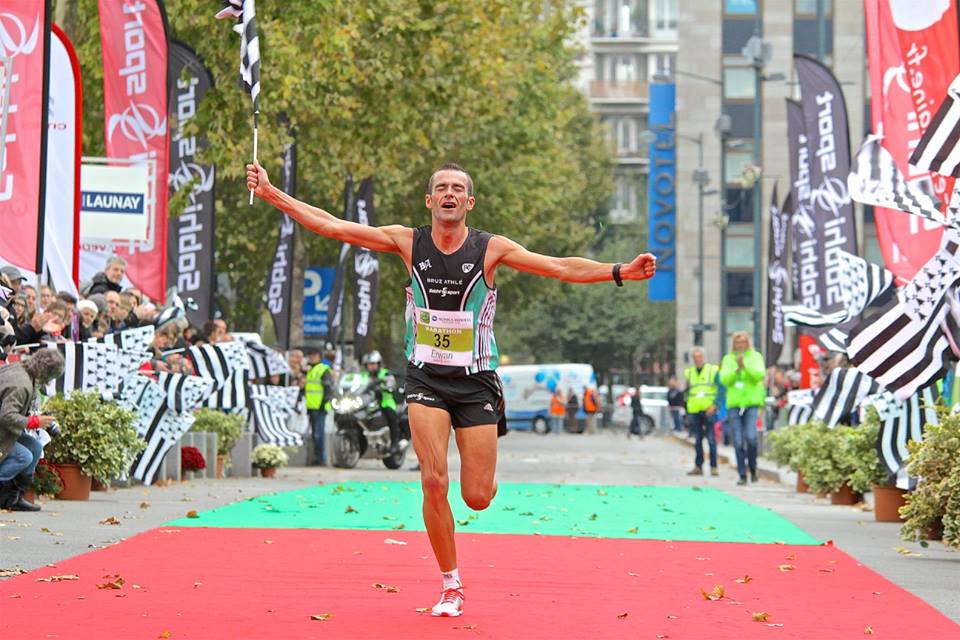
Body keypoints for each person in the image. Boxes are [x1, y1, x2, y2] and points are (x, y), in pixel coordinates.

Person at [246, 160, 656, 618]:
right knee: (433, 478)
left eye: (457, 188)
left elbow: (559, 266)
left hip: (476, 381)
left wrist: (620, 271)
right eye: (440, 187)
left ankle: (484, 474)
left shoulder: (490, 249)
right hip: (425, 377)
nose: (449, 193)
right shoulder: (408, 241)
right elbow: (334, 226)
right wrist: (271, 193)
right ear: (430, 200)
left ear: (468, 202)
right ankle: (451, 583)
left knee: (476, 496)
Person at [0, 349, 65, 510]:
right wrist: (34, 421)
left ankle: (14, 498)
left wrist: (35, 418)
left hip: (4, 428)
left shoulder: (20, 368)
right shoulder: (22, 384)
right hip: (3, 426)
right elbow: (7, 415)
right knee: (24, 456)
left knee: (35, 447)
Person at [719, 332, 766, 485]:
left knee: (751, 438)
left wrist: (745, 366)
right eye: (738, 343)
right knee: (738, 441)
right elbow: (724, 379)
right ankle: (742, 474)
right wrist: (737, 370)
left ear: (748, 343)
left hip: (751, 403)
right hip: (734, 405)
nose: (741, 345)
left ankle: (752, 467)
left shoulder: (755, 356)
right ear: (734, 344)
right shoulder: (728, 359)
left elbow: (760, 375)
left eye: (744, 342)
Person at [359, 350, 405, 453]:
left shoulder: (385, 373)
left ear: (379, 364)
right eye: (369, 364)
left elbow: (391, 385)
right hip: (367, 403)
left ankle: (395, 443)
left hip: (385, 402)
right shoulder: (364, 376)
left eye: (373, 364)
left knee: (391, 415)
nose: (371, 366)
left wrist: (385, 386)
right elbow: (357, 386)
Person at [683, 348, 719, 476]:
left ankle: (714, 466)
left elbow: (720, 389)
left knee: (711, 439)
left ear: (704, 357)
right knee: (697, 439)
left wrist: (715, 405)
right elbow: (687, 391)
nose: (697, 359)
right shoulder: (690, 372)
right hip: (694, 410)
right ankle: (698, 466)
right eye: (695, 357)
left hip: (709, 409)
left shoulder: (713, 370)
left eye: (699, 357)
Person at [304, 347, 336, 465]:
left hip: (320, 407)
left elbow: (329, 388)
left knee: (319, 434)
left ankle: (321, 458)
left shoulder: (323, 369)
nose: (311, 357)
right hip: (312, 406)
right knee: (315, 434)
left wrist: (324, 403)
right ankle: (318, 457)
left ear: (319, 356)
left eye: (314, 355)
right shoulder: (311, 370)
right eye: (310, 355)